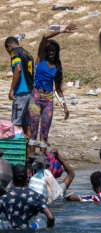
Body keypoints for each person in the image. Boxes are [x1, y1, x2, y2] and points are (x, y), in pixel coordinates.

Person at [28, 24, 76, 153]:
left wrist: (65, 107)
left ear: (56, 52)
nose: (51, 53)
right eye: (49, 50)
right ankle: (31, 162)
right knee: (33, 132)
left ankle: (42, 163)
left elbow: (58, 90)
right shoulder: (40, 59)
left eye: (53, 51)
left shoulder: (56, 67)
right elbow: (44, 37)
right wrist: (61, 30)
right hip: (36, 97)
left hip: (48, 99)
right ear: (45, 51)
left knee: (44, 133)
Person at [0, 164, 55, 230]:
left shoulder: (4, 198)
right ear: (27, 178)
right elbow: (51, 217)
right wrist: (49, 229)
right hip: (29, 232)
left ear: (13, 178)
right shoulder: (36, 196)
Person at [4, 36, 34, 142]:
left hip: (21, 93)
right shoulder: (28, 54)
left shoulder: (14, 52)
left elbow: (18, 69)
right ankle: (28, 154)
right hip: (30, 93)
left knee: (16, 124)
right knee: (27, 124)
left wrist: (12, 89)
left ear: (9, 46)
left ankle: (16, 154)